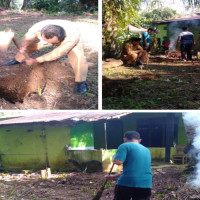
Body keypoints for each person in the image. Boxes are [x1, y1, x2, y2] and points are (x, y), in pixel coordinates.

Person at [3, 20, 88, 95]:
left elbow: (57, 53)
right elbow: (27, 38)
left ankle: (81, 82)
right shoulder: (37, 28)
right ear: (42, 33)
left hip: (70, 36)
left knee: (78, 56)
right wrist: (23, 46)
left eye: (53, 43)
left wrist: (36, 60)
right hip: (49, 34)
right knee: (31, 46)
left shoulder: (71, 37)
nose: (50, 45)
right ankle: (17, 60)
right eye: (47, 42)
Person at [106, 131, 152, 200]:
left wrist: (114, 157)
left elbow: (118, 162)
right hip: (146, 183)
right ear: (139, 140)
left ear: (125, 139)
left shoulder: (124, 145)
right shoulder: (147, 150)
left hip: (127, 183)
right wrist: (113, 176)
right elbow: (133, 170)